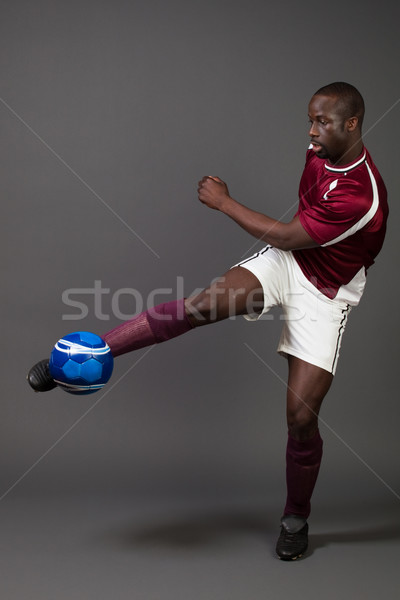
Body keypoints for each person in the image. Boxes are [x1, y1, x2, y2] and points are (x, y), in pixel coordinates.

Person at [28, 82, 388, 560]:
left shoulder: (361, 197)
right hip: (290, 263)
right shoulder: (319, 151)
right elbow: (290, 242)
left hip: (326, 291)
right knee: (202, 305)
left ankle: (296, 514)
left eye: (322, 122)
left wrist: (224, 202)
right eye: (310, 119)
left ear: (353, 123)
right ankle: (87, 355)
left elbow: (285, 233)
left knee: (301, 417)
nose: (311, 131)